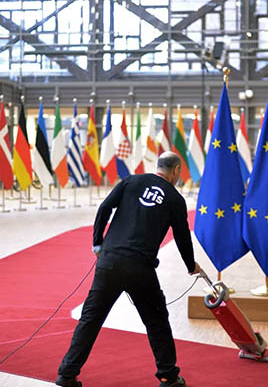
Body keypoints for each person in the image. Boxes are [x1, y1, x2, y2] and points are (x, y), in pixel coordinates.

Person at [56, 152, 201, 387]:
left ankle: (67, 374)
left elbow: (105, 208)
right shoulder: (175, 198)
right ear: (175, 171)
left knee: (90, 319)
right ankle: (168, 376)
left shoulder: (131, 181)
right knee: (156, 321)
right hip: (140, 269)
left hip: (109, 262)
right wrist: (190, 265)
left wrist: (97, 243)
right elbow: (182, 236)